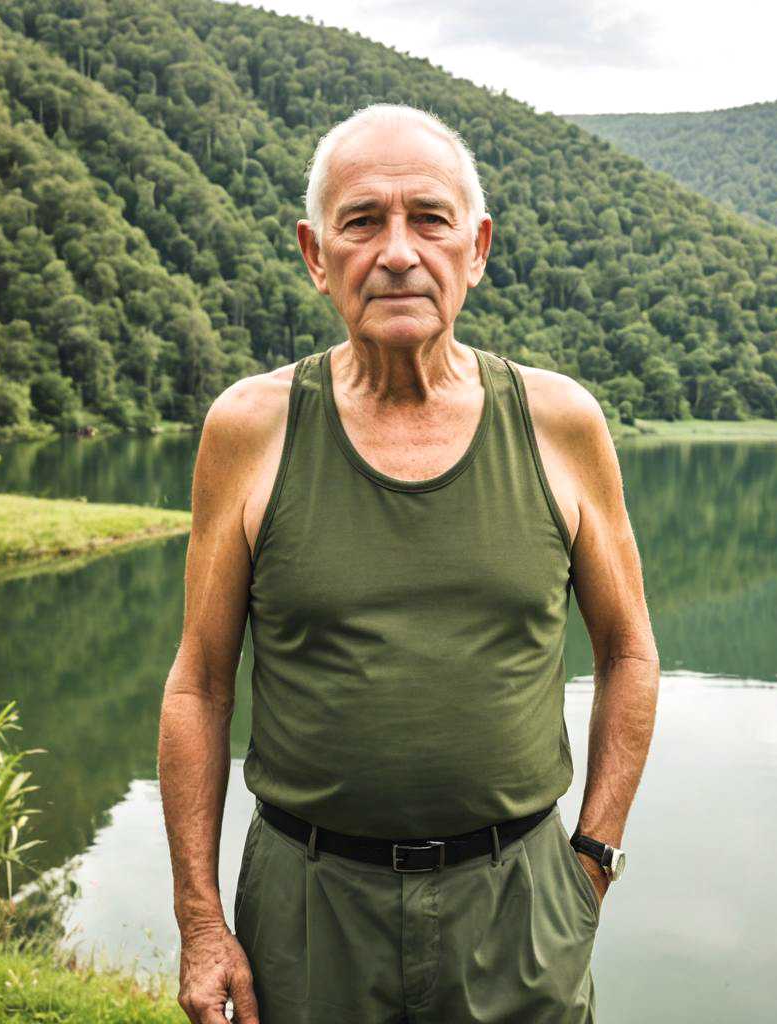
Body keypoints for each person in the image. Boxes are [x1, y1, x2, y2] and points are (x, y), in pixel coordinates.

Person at [158, 103, 659, 1024]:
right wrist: (199, 922)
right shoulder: (251, 428)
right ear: (316, 255)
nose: (397, 251)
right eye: (362, 221)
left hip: (521, 910)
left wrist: (591, 861)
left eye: (429, 218)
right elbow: (199, 686)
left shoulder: (560, 423)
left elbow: (629, 652)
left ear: (477, 247)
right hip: (307, 916)